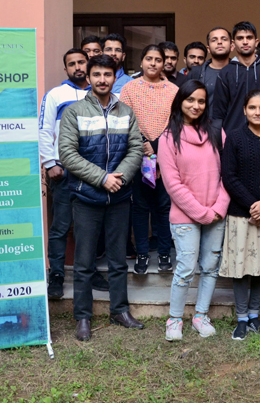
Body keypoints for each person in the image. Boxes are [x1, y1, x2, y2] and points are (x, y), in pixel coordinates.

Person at [58, 54, 145, 341]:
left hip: (119, 197)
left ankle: (120, 311)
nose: (102, 80)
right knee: (84, 263)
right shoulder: (74, 112)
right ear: (89, 77)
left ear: (114, 76)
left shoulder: (126, 111)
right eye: (97, 74)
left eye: (108, 74)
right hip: (86, 198)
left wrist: (117, 177)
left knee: (119, 260)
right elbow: (67, 154)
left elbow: (136, 148)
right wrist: (102, 178)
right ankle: (83, 317)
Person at [160, 80, 230, 341]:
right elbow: (172, 183)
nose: (196, 106)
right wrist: (202, 212)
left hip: (216, 214)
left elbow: (227, 174)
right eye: (190, 100)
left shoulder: (216, 132)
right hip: (186, 216)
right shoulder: (168, 137)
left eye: (201, 101)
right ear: (180, 102)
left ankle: (200, 315)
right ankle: (175, 318)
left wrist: (219, 207)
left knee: (210, 267)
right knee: (186, 268)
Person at [39, 49, 109, 299]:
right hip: (63, 172)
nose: (78, 67)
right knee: (60, 227)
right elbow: (45, 130)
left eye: (82, 62)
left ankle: (89, 272)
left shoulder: (100, 93)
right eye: (72, 64)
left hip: (93, 172)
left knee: (88, 228)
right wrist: (50, 163)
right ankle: (56, 275)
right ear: (66, 68)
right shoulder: (56, 95)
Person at [221, 89, 260, 340]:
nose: (258, 112)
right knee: (241, 268)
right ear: (245, 110)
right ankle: (242, 318)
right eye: (253, 108)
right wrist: (252, 205)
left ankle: (255, 315)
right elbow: (229, 177)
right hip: (241, 215)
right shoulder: (234, 138)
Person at [118, 45, 179, 274]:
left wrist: (157, 151)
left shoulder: (173, 90)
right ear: (141, 61)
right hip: (137, 154)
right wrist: (145, 148)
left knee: (163, 207)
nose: (153, 63)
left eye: (158, 60)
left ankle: (164, 253)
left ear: (164, 64)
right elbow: (125, 120)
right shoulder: (129, 88)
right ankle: (142, 253)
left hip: (166, 155)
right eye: (149, 59)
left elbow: (175, 123)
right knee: (141, 207)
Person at [213, 21, 260, 134]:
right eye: (240, 38)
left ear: (256, 42)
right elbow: (218, 113)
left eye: (249, 37)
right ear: (233, 43)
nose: (245, 42)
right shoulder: (225, 73)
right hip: (232, 138)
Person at [188, 26, 233, 117]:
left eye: (224, 39)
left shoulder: (240, 72)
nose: (219, 42)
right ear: (208, 49)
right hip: (202, 127)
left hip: (231, 129)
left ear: (232, 46)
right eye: (214, 40)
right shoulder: (196, 73)